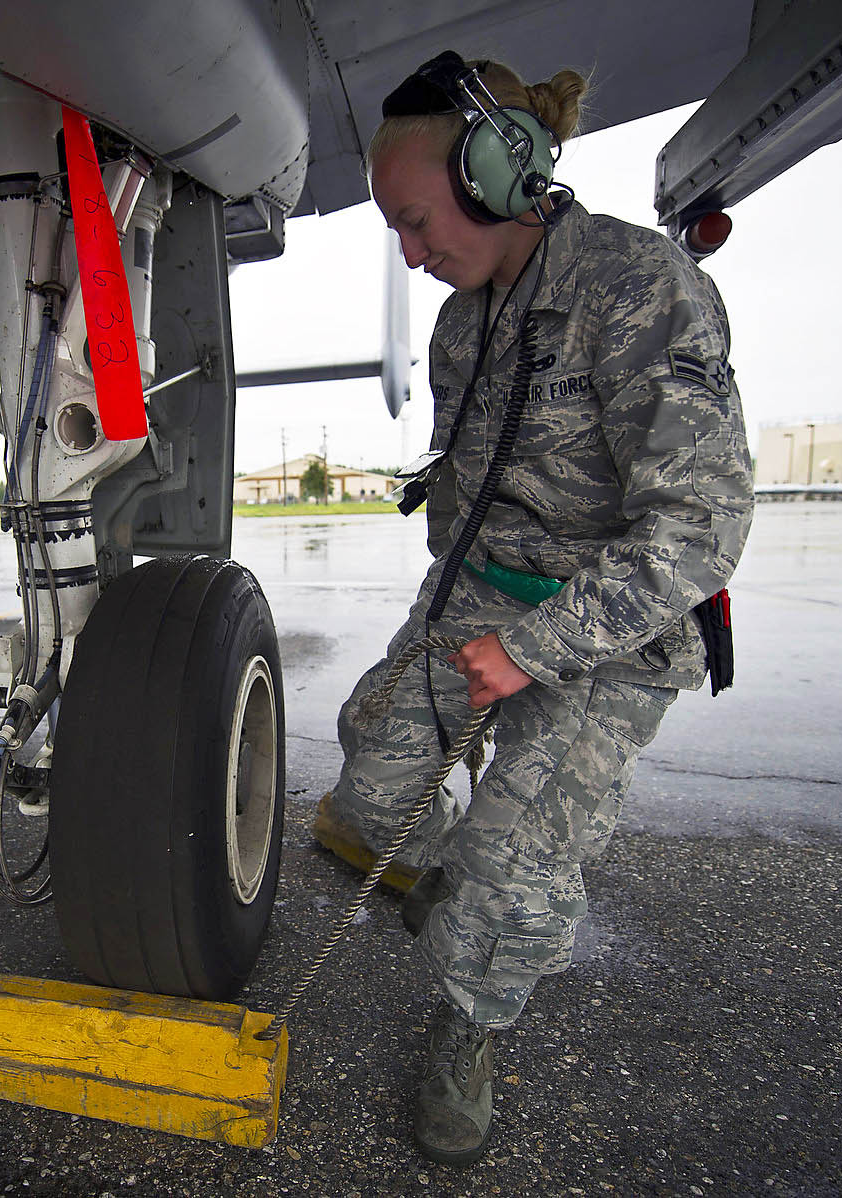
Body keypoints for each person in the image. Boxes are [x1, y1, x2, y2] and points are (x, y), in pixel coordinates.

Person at [316, 52, 755, 1165]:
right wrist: (443, 629)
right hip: (476, 598)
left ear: (499, 169)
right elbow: (463, 495)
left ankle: (471, 1018)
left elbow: (701, 530)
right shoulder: (464, 322)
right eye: (398, 236)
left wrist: (533, 648)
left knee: (515, 872)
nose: (412, 256)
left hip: (611, 633)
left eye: (417, 223)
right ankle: (467, 896)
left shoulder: (639, 286)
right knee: (371, 775)